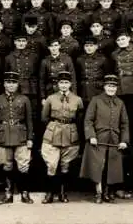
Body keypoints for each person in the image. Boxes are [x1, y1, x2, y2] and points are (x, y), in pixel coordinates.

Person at [80, 74, 129, 204]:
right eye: (109, 86)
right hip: (98, 139)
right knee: (98, 167)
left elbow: (124, 124)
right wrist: (91, 136)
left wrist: (124, 140)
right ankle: (98, 193)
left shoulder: (120, 103)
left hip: (114, 140)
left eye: (113, 86)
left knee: (110, 167)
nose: (111, 88)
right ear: (104, 86)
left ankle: (107, 192)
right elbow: (88, 120)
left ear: (116, 88)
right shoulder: (96, 100)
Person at [0, 71, 34, 204]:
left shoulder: (24, 99)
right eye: (8, 82)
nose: (11, 85)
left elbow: (29, 120)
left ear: (17, 84)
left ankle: (25, 193)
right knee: (6, 166)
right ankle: (8, 194)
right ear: (4, 84)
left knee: (23, 166)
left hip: (20, 135)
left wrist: (30, 138)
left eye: (13, 83)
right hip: (3, 136)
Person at [41, 71, 84, 204]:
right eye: (61, 83)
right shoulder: (50, 98)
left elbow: (80, 119)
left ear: (70, 84)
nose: (64, 85)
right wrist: (54, 127)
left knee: (66, 165)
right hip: (53, 133)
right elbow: (44, 117)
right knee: (52, 164)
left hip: (70, 134)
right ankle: (49, 193)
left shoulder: (77, 99)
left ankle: (62, 192)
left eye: (66, 83)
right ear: (57, 84)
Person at [39, 38, 77, 103]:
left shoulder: (67, 59)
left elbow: (73, 78)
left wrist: (73, 95)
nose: (54, 48)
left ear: (59, 46)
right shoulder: (45, 61)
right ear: (48, 47)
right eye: (51, 46)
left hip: (64, 90)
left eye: (56, 45)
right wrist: (43, 97)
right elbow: (42, 80)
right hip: (50, 91)